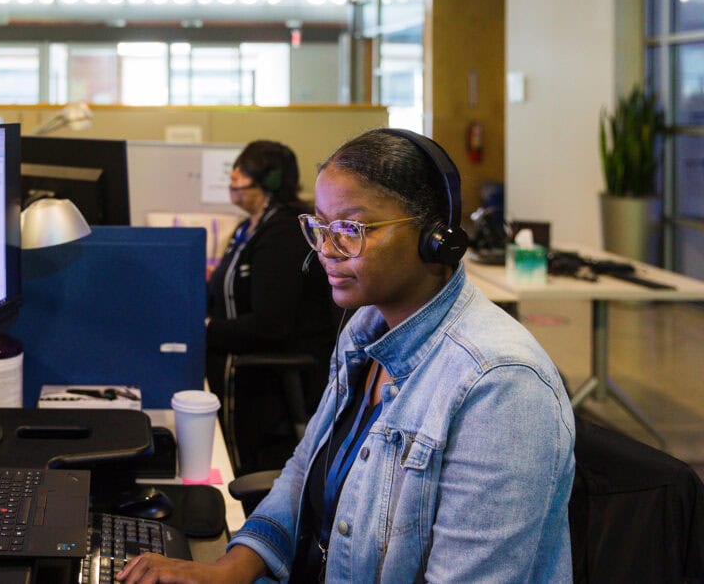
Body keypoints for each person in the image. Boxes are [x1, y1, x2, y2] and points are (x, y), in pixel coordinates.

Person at [119, 129, 575, 583]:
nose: (325, 251)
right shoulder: (365, 329)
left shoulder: (501, 386)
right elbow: (303, 472)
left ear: (435, 238)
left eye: (351, 230)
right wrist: (227, 570)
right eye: (320, 227)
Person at [205, 140, 338, 474]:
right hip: (241, 361)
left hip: (268, 379)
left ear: (270, 182)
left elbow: (270, 325)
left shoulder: (283, 233)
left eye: (241, 176)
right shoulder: (248, 228)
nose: (233, 184)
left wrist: (204, 330)